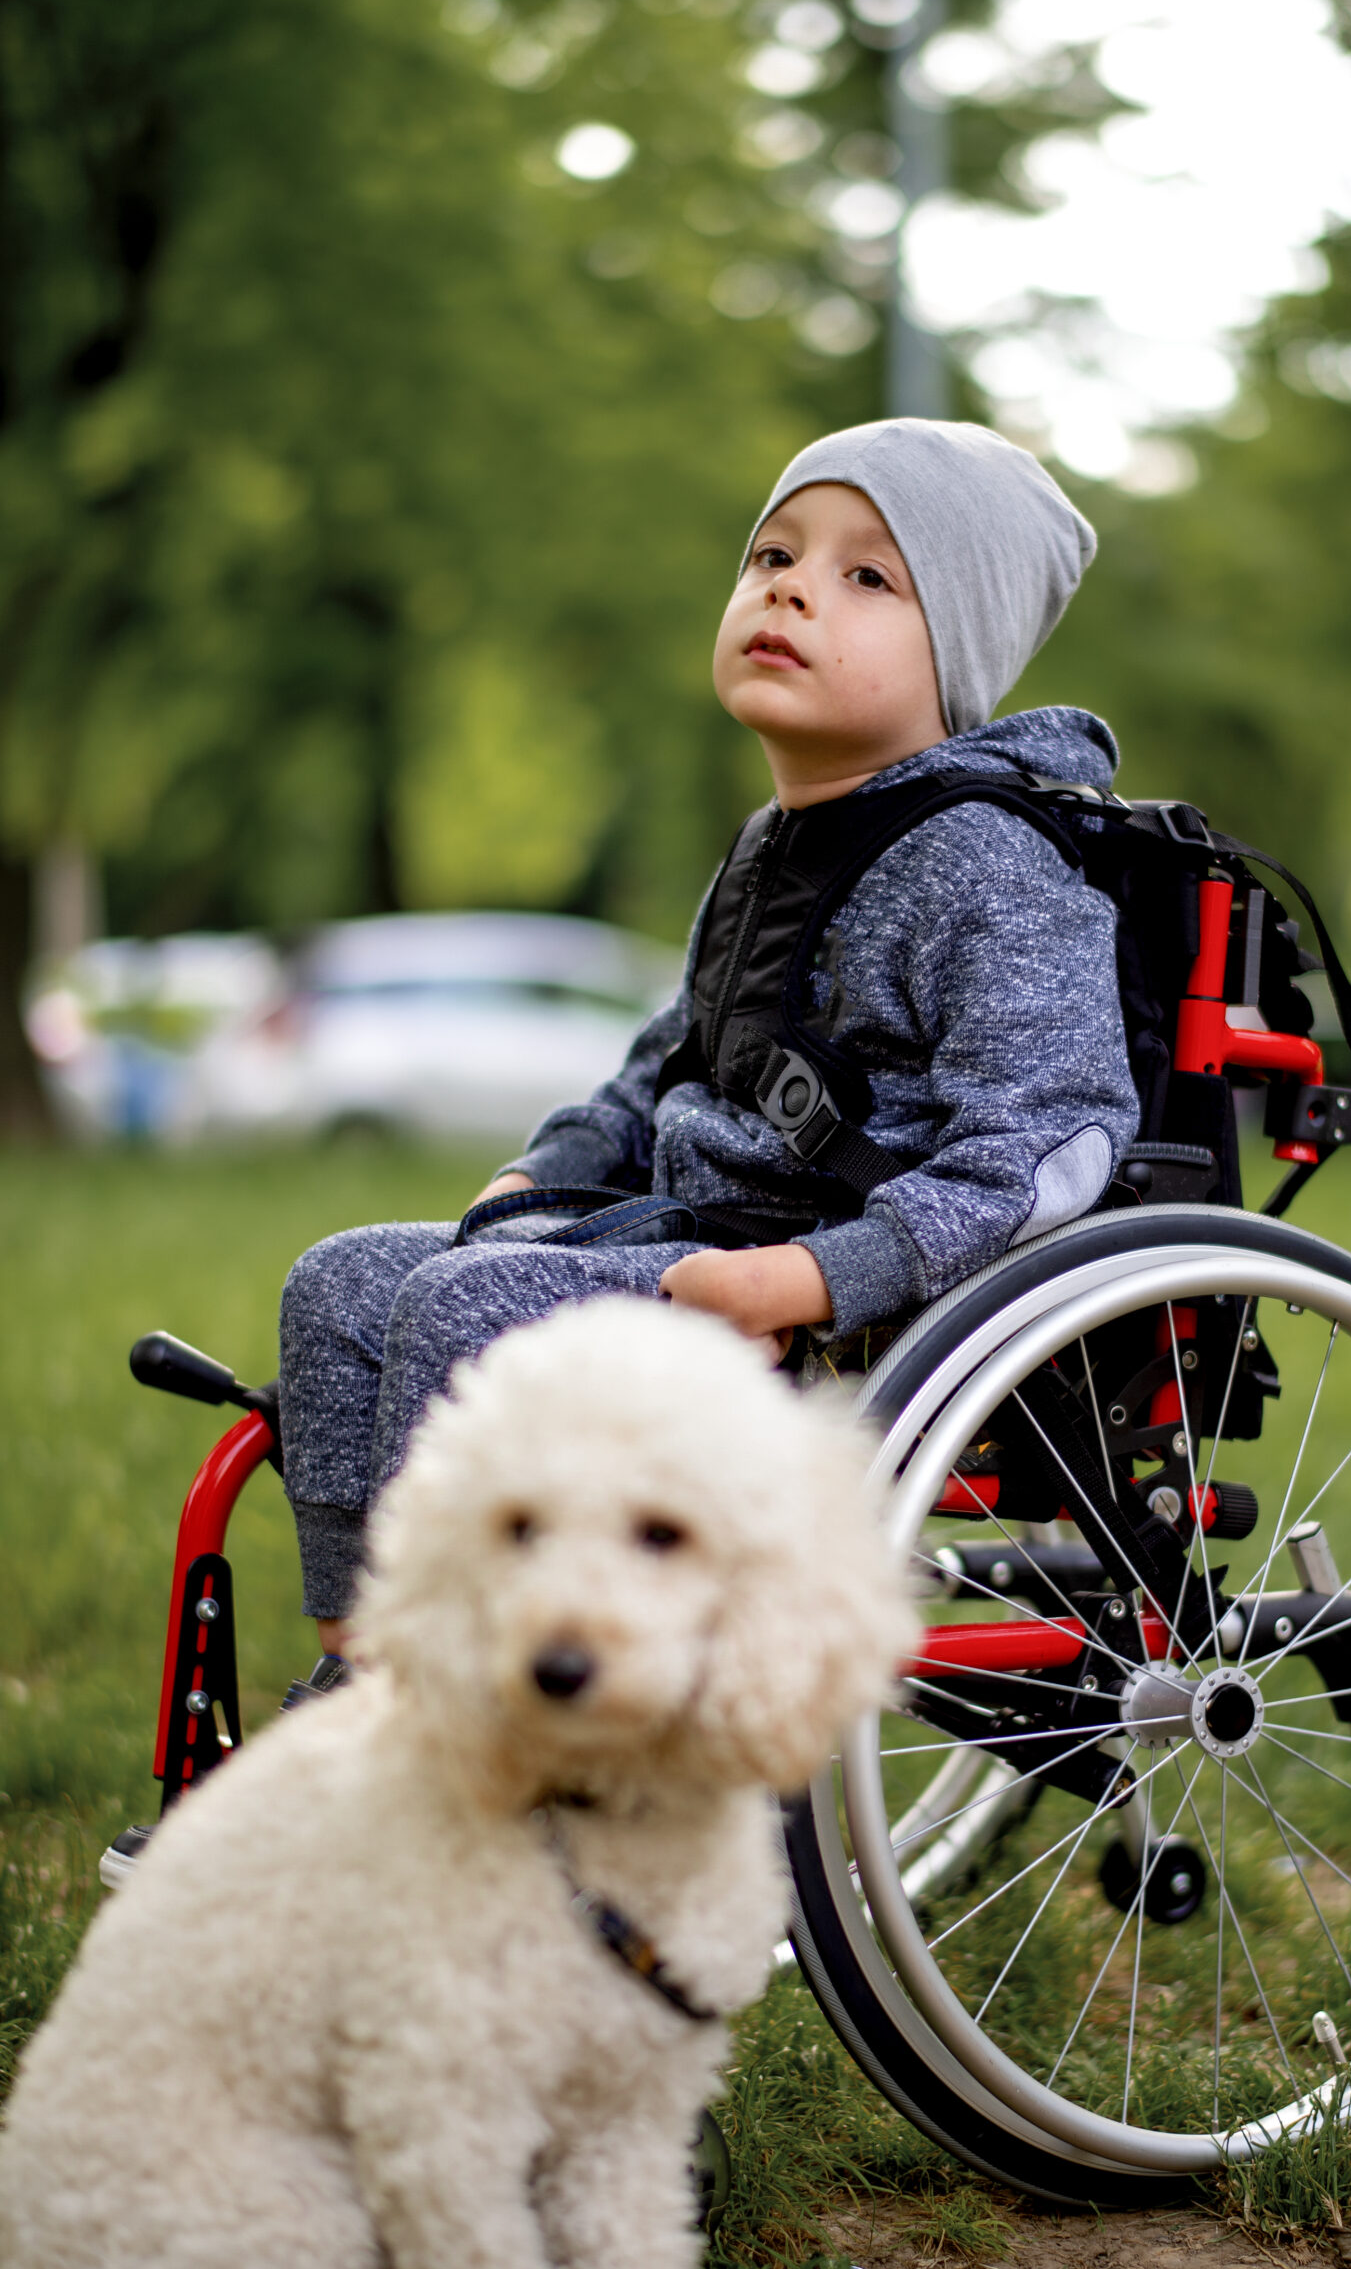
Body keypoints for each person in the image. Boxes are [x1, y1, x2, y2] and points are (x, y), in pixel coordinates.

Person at [279, 418, 1144, 1656]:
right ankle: (371, 1661)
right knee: (346, 1281)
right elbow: (672, 1065)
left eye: (866, 577)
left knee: (470, 1311)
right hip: (696, 1254)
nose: (790, 584)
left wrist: (818, 1275)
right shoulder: (771, 853)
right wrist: (551, 1168)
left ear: (959, 655)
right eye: (772, 554)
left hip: (841, 1314)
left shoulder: (993, 869)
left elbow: (1049, 1145)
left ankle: (481, 1702)